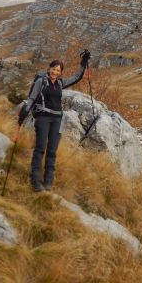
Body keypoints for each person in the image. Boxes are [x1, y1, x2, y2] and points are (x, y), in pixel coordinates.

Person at [18, 50, 90, 192]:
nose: (55, 72)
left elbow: (77, 77)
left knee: (52, 151)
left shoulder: (60, 83)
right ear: (49, 69)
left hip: (58, 120)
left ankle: (48, 182)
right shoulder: (41, 81)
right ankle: (36, 181)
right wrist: (23, 113)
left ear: (60, 72)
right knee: (40, 149)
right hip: (43, 118)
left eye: (58, 70)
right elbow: (31, 98)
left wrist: (84, 62)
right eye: (53, 69)